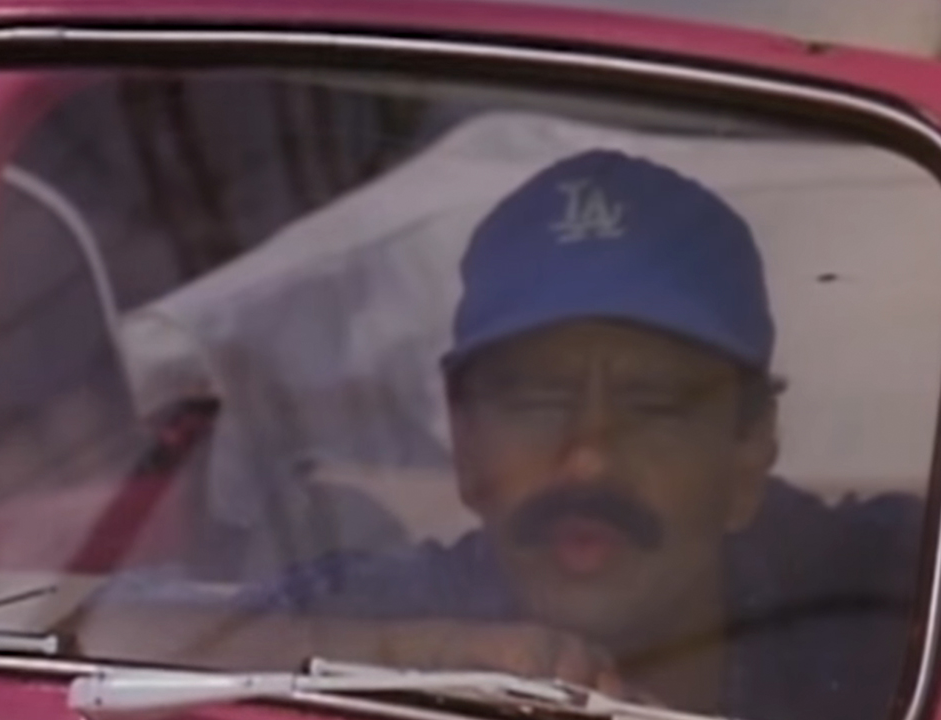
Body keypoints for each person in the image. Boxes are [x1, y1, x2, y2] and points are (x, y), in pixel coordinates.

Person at [83, 150, 922, 720]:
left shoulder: (864, 596)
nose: (589, 456)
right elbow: (99, 636)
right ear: (465, 440)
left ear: (747, 451)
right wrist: (431, 656)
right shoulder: (421, 611)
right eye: (533, 399)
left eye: (656, 404)